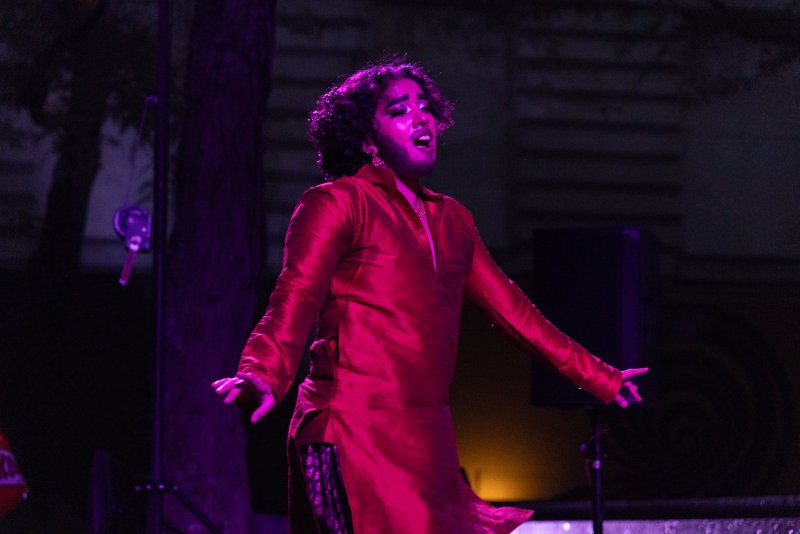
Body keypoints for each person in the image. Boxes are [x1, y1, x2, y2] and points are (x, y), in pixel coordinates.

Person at [213, 57, 647, 534]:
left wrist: (598, 375)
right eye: (399, 110)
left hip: (427, 438)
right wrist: (262, 371)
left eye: (425, 107)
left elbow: (515, 313)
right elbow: (296, 295)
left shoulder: (452, 219)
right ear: (365, 140)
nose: (421, 118)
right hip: (351, 427)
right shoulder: (337, 202)